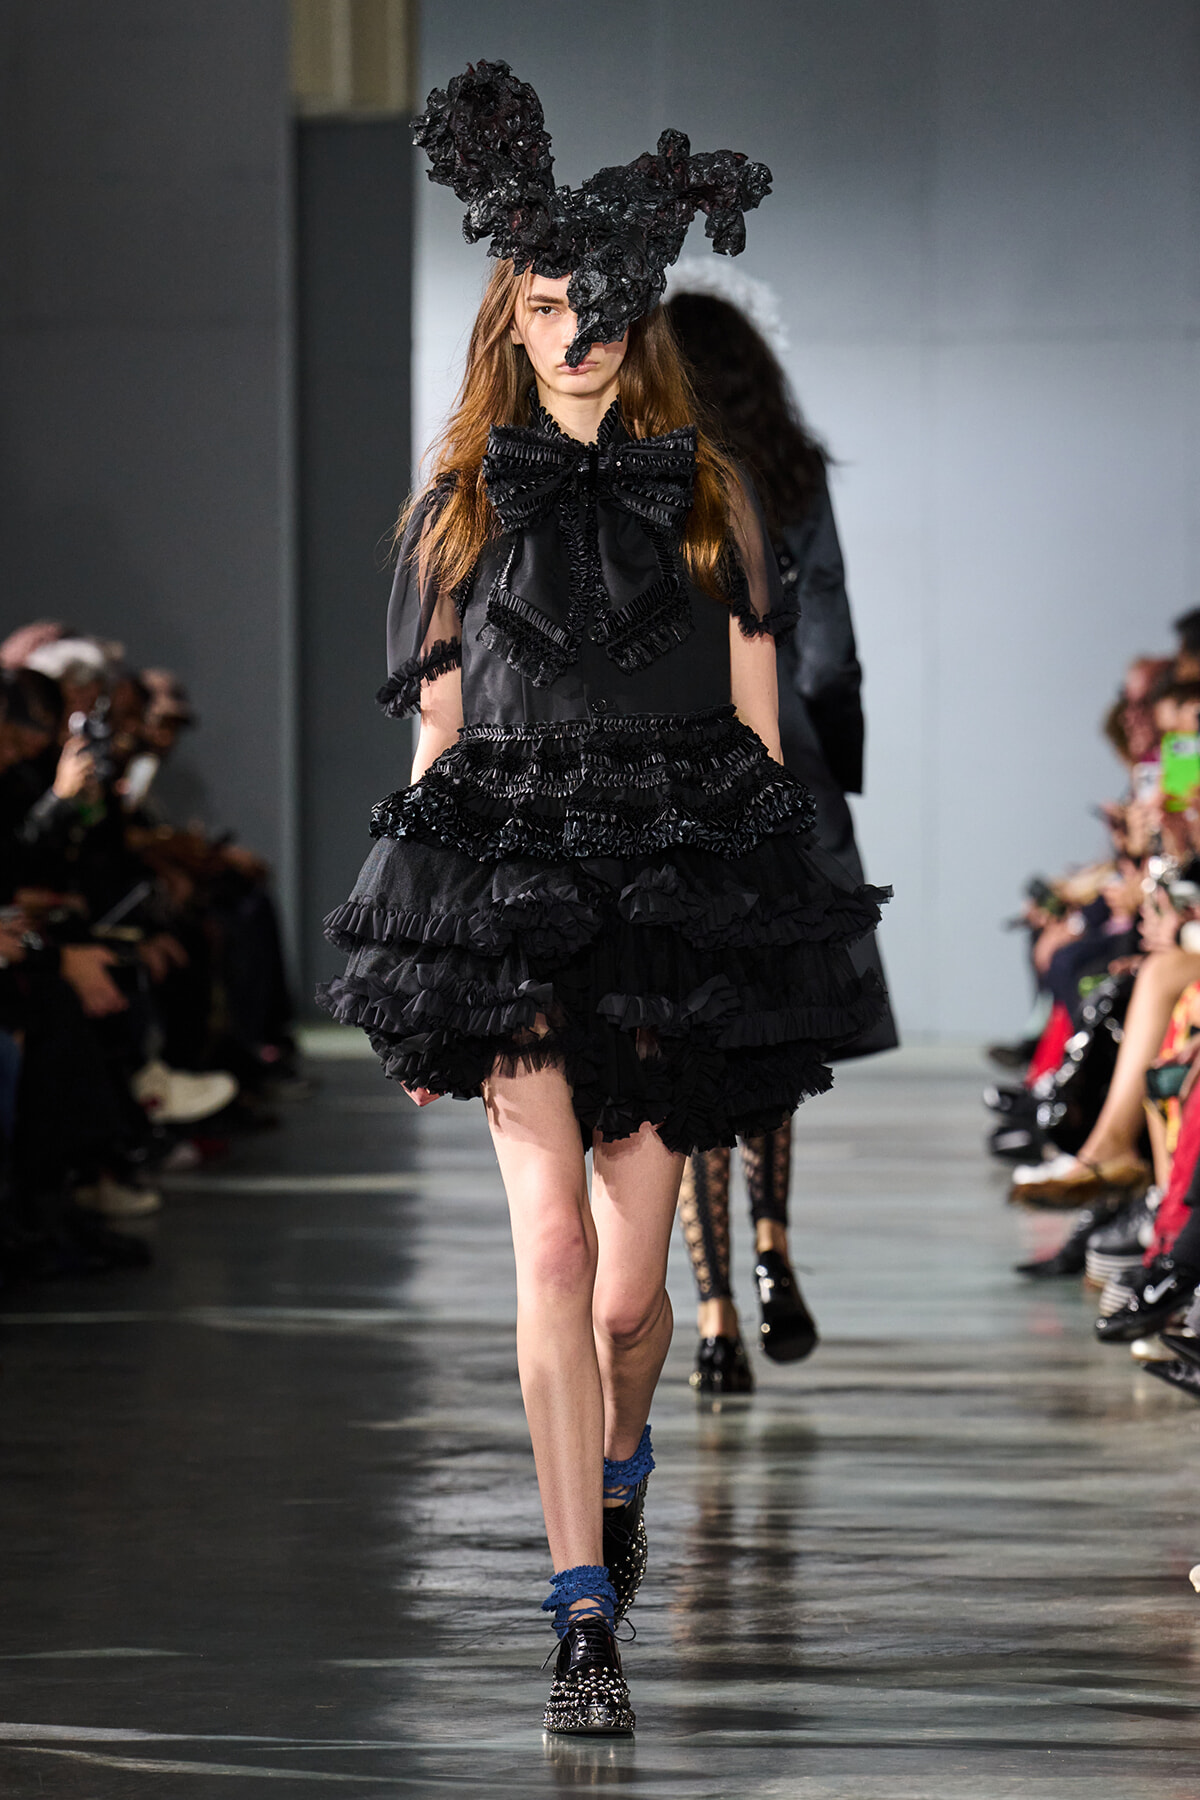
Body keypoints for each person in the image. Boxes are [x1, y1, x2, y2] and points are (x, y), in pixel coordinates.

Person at [320, 61, 888, 1737]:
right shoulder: (456, 515)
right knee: (555, 1250)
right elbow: (438, 740)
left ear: (642, 322)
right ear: (514, 315)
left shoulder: (717, 506)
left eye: (603, 306)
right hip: (507, 897)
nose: (576, 332)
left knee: (635, 1299)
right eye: (549, 303)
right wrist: (413, 948)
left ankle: (624, 1466)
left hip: (675, 899)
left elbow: (766, 741)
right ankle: (580, 1616)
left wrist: (776, 916)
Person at [663, 290, 897, 1393]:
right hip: (784, 772)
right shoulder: (792, 476)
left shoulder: (651, 469)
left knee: (699, 1039)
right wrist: (830, 776)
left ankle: (711, 1314)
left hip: (674, 769)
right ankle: (772, 1250)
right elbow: (830, 650)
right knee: (773, 1036)